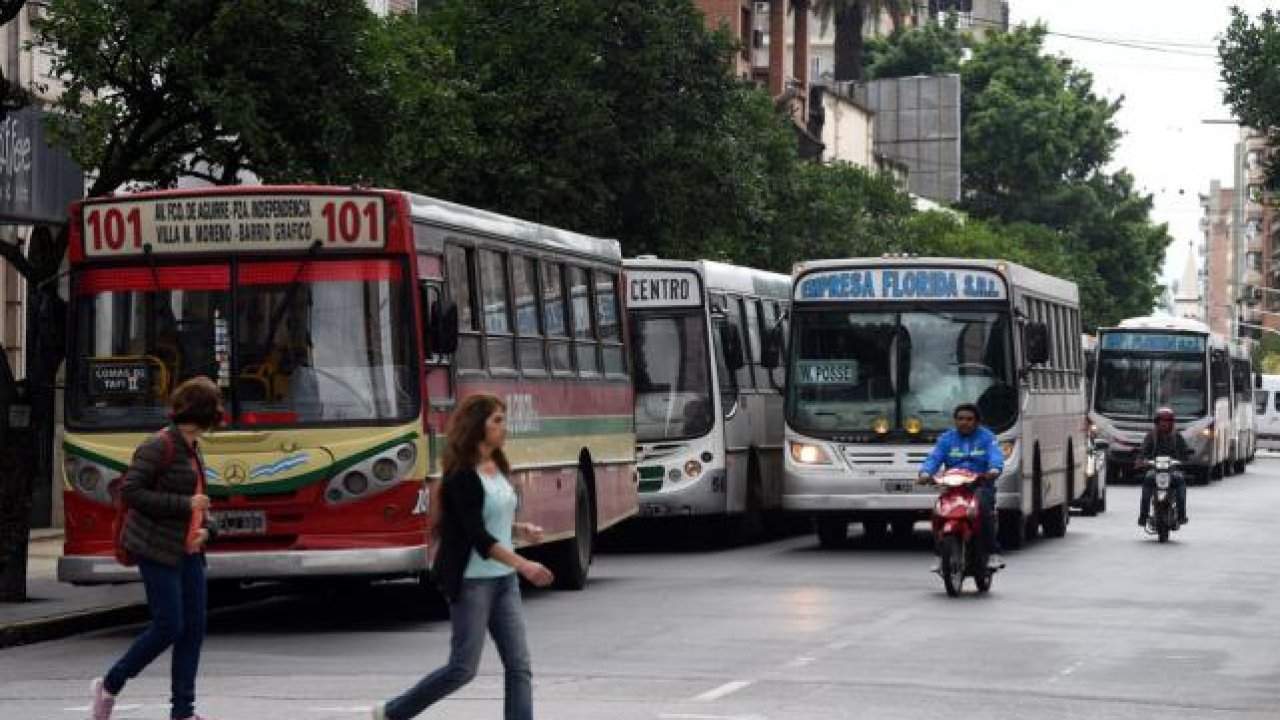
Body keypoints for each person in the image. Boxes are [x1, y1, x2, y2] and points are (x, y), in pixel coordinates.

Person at [374, 393, 555, 720]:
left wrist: (519, 530)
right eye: (497, 421)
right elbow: (479, 537)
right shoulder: (461, 476)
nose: (504, 428)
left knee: (519, 665)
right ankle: (394, 712)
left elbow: (491, 524)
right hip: (473, 583)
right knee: (462, 668)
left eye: (503, 420)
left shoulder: (498, 465)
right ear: (477, 427)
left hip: (504, 581)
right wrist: (524, 564)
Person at [91, 376, 223, 720]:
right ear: (197, 413)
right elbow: (131, 492)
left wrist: (208, 529)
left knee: (193, 631)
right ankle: (110, 683)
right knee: (169, 626)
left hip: (191, 552)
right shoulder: (157, 445)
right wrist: (184, 504)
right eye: (200, 427)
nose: (201, 435)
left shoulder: (193, 449)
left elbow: (203, 505)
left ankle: (183, 712)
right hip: (156, 549)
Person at [918, 403, 1005, 571]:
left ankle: (993, 552)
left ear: (977, 422)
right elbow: (934, 458)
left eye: (969, 419)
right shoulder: (946, 439)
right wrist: (925, 473)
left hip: (980, 485)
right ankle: (938, 554)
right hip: (953, 486)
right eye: (960, 419)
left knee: (983, 508)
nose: (964, 423)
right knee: (938, 512)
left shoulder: (987, 438)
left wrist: (994, 470)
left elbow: (996, 457)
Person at [1137, 406, 1190, 527]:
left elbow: (1184, 452)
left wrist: (1183, 460)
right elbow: (1143, 451)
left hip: (1173, 472)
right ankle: (1143, 516)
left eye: (1167, 421)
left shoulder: (1177, 437)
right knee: (1146, 486)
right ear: (1157, 422)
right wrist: (1141, 460)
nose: (1164, 424)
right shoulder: (1151, 436)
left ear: (1172, 423)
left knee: (1181, 484)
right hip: (1154, 471)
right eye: (1162, 421)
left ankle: (1181, 515)